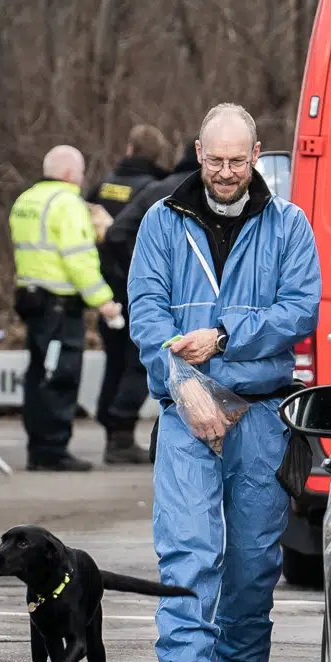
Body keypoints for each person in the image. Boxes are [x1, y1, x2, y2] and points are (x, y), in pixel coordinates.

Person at [129, 104, 321, 662]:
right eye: (216, 160)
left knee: (254, 554)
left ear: (257, 155)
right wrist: (182, 381)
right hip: (187, 409)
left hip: (259, 414)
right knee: (187, 544)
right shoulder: (162, 222)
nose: (227, 172)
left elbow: (299, 311)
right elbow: (147, 312)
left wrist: (222, 336)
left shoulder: (289, 226)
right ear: (198, 152)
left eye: (238, 160)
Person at [10, 145, 123, 472]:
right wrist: (104, 302)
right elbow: (79, 260)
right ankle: (52, 449)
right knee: (60, 375)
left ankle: (39, 445)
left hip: (32, 299)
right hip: (59, 306)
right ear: (71, 173)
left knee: (39, 374)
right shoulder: (68, 205)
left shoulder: (26, 200)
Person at [96, 144, 202, 464]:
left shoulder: (156, 189)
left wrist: (136, 274)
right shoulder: (199, 193)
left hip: (136, 291)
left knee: (127, 360)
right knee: (146, 362)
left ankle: (117, 431)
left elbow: (115, 234)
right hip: (178, 297)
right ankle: (121, 434)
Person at [88, 125, 173, 464]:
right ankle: (120, 434)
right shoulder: (152, 190)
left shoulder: (101, 186)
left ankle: (111, 429)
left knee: (114, 360)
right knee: (136, 362)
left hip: (103, 288)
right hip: (134, 287)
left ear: (128, 148)